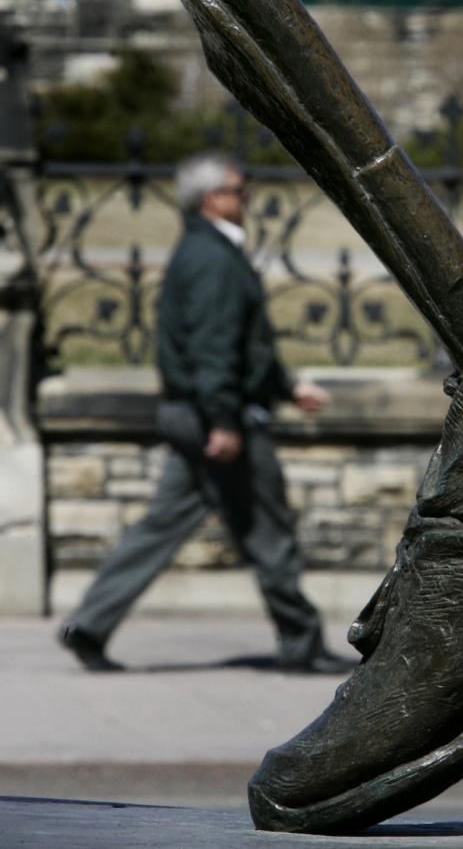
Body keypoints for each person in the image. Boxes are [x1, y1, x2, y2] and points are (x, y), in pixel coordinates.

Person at [59, 152, 350, 674]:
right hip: (220, 418)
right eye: (242, 189)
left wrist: (286, 387)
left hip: (192, 412)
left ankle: (90, 623)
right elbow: (213, 350)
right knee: (269, 527)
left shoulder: (201, 251)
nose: (249, 197)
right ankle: (302, 643)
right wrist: (224, 421)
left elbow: (238, 346)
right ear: (213, 198)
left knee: (164, 523)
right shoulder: (214, 259)